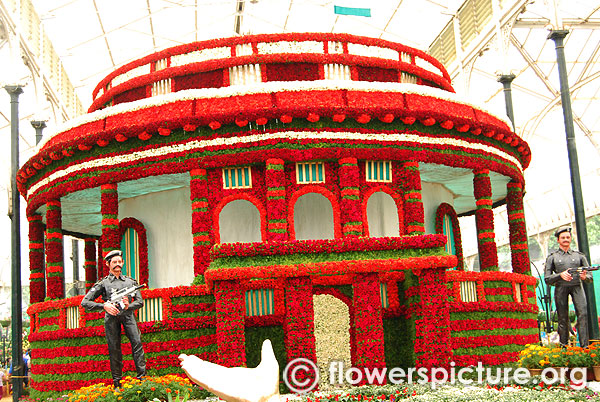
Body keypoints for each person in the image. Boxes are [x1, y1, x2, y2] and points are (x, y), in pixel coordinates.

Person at [81, 249, 147, 388]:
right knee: (114, 349)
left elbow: (140, 302)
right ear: (108, 264)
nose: (117, 264)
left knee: (137, 344)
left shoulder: (130, 282)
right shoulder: (103, 283)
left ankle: (143, 380)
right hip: (111, 318)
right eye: (114, 262)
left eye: (119, 262)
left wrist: (129, 306)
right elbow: (85, 302)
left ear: (122, 263)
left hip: (128, 316)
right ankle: (117, 384)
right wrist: (103, 306)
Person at [544, 226, 593, 347]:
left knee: (583, 315)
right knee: (562, 318)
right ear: (558, 240)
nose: (566, 239)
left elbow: (590, 276)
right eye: (563, 237)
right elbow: (547, 279)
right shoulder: (552, 257)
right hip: (561, 288)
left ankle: (584, 346)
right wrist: (560, 275)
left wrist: (584, 277)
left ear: (571, 239)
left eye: (568, 237)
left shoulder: (579, 256)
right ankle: (564, 347)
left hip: (577, 287)